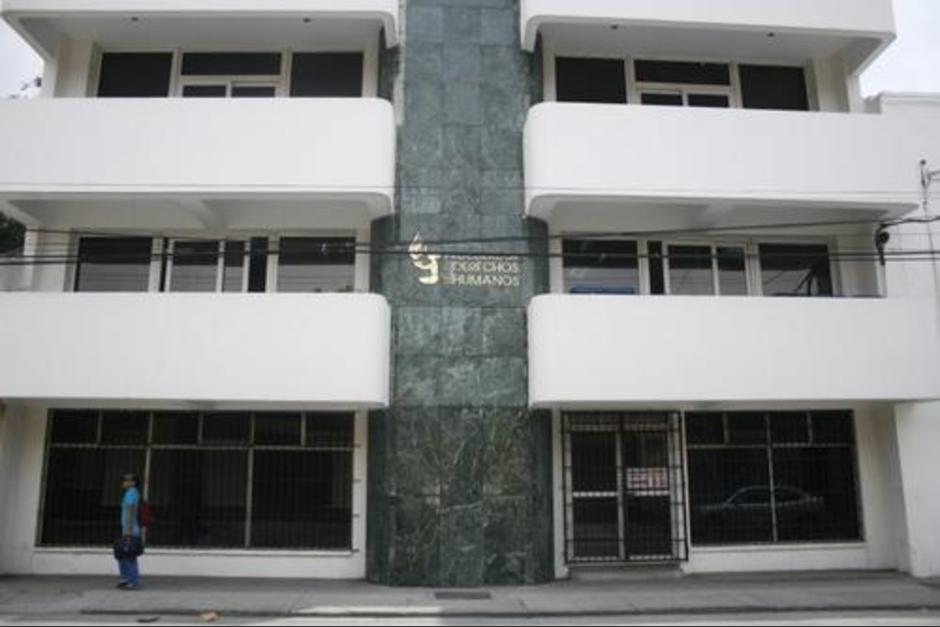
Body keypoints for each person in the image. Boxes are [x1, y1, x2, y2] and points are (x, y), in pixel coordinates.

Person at [116, 473, 142, 590]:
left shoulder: (131, 493)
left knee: (129, 555)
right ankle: (126, 578)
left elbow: (129, 513)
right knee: (123, 554)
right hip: (128, 529)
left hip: (130, 530)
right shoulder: (130, 493)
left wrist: (127, 532)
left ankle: (132, 581)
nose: (124, 482)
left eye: (126, 480)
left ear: (133, 483)